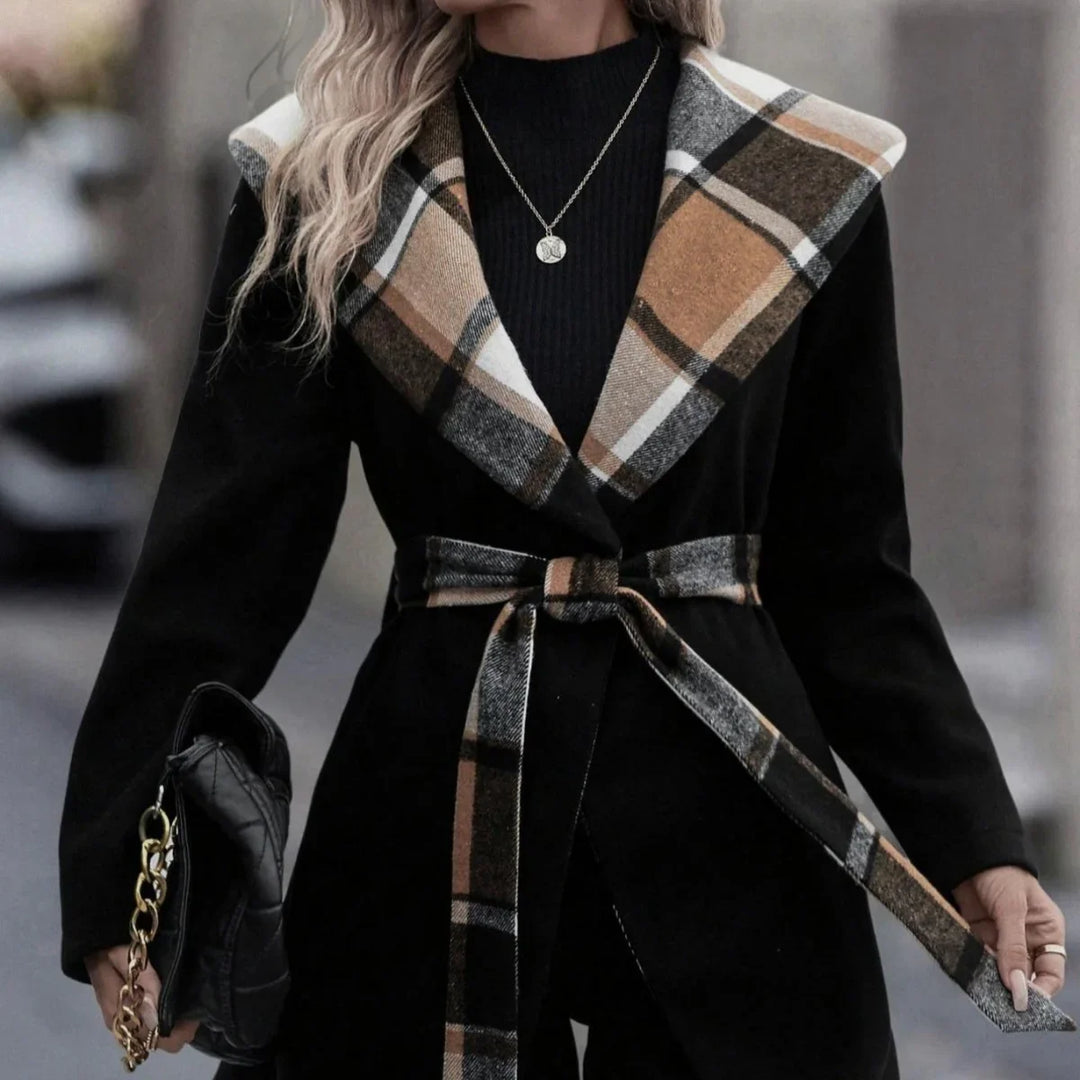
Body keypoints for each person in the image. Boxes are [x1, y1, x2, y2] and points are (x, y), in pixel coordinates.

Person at [58, 2, 1069, 1077]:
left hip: (736, 833)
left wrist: (973, 839)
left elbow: (845, 571)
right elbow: (217, 566)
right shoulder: (325, 176)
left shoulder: (796, 173)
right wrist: (129, 880)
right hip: (424, 828)